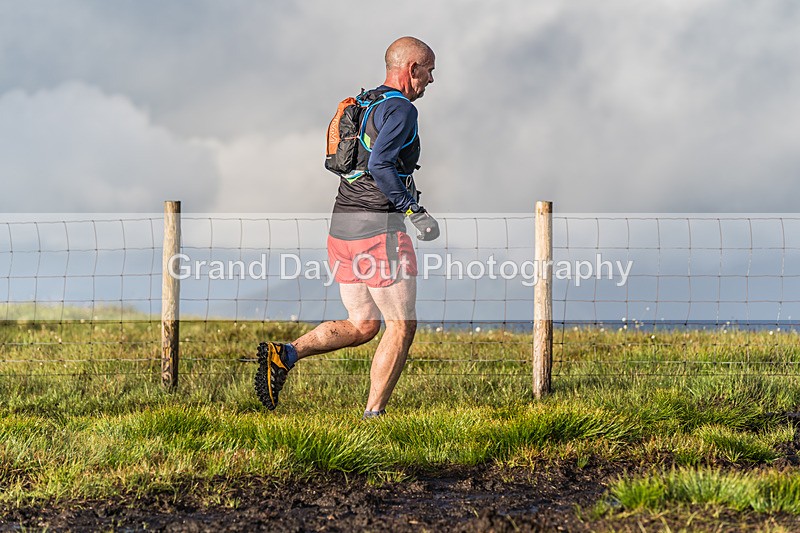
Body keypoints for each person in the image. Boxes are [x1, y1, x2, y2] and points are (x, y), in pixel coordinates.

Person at [255, 36, 440, 418]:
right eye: (430, 71)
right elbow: (381, 166)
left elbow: (339, 162)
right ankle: (373, 418)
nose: (431, 80)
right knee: (402, 325)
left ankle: (286, 354)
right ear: (412, 69)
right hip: (378, 230)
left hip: (342, 228)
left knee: (363, 324)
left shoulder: (363, 101)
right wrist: (413, 211)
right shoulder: (402, 111)